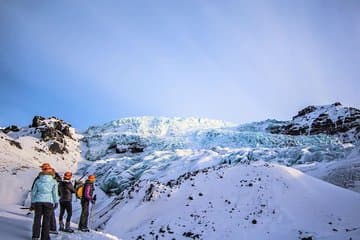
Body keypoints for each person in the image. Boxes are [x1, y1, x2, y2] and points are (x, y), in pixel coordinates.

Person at [31, 163, 59, 240]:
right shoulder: (53, 181)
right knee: (46, 220)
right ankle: (45, 237)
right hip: (48, 202)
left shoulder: (38, 180)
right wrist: (56, 202)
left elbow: (33, 192)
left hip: (38, 201)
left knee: (37, 219)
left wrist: (32, 202)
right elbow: (54, 193)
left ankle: (35, 236)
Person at [49, 168, 61, 235]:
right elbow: (59, 179)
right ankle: (52, 228)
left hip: (43, 199)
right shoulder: (54, 181)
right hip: (50, 199)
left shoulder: (41, 178)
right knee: (51, 214)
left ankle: (50, 227)